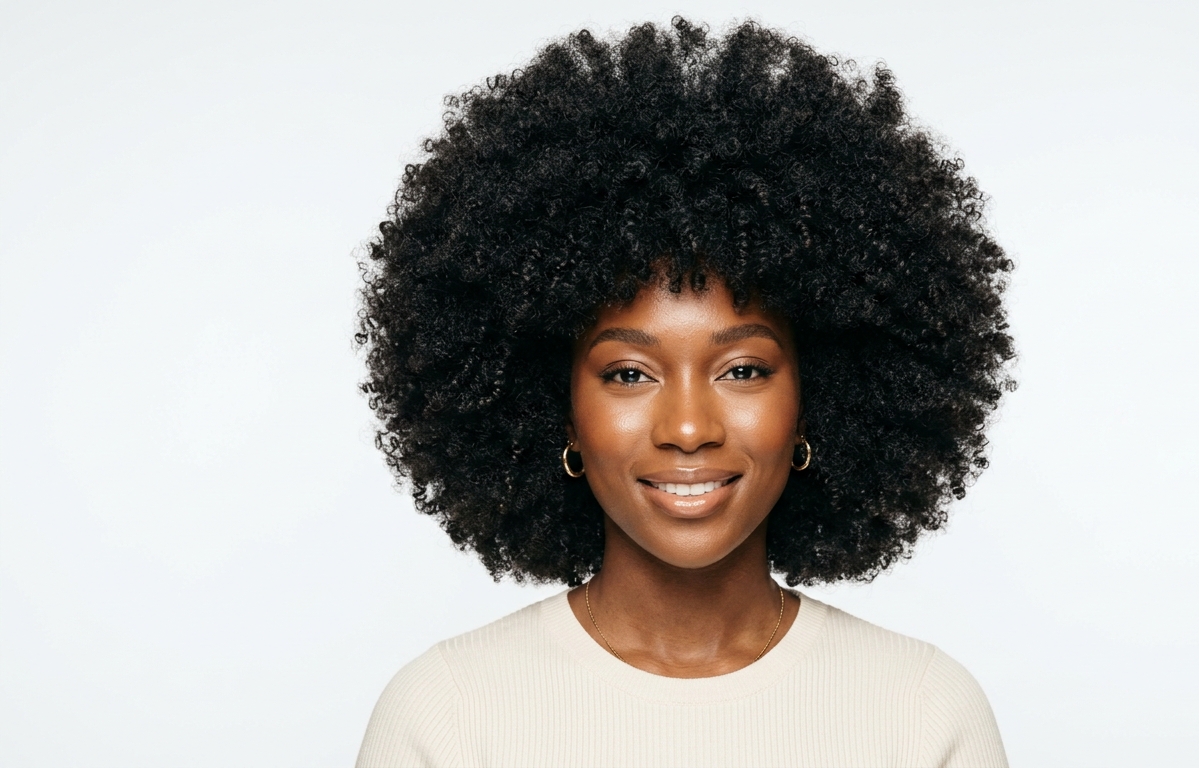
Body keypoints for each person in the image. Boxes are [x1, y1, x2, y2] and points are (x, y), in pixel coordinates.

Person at [354, 18, 1015, 767]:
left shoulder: (920, 711)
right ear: (556, 408)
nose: (690, 428)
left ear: (816, 398)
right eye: (629, 374)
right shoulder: (449, 714)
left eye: (743, 370)